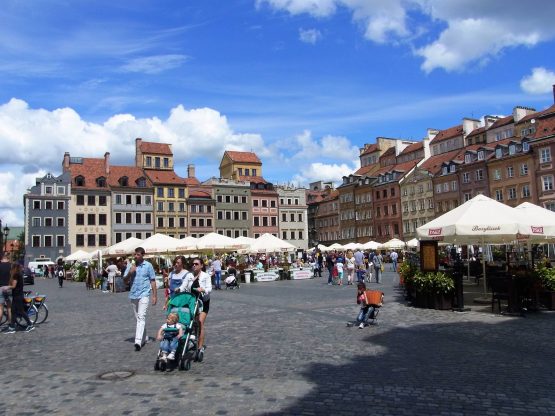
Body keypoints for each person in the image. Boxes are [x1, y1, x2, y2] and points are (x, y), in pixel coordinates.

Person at [124, 247, 157, 351]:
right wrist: (130, 272)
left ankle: (138, 341)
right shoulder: (131, 265)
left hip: (144, 294)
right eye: (135, 254)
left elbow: (152, 280)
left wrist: (154, 295)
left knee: (141, 317)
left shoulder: (148, 266)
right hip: (133, 294)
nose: (136, 256)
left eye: (138, 255)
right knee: (138, 318)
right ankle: (144, 337)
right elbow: (124, 280)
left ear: (143, 255)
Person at [178, 257, 211, 358]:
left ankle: (200, 348)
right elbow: (183, 286)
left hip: (203, 302)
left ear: (201, 265)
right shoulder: (189, 276)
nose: (194, 265)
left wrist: (203, 289)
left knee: (199, 323)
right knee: (190, 323)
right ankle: (191, 340)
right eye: (193, 264)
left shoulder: (205, 276)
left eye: (196, 264)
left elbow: (209, 288)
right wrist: (178, 289)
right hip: (191, 302)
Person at [2, 263, 35, 333]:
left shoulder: (16, 275)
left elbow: (13, 286)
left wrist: (7, 287)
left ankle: (30, 324)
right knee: (13, 311)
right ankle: (12, 327)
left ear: (14, 268)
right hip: (17, 295)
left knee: (21, 311)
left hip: (17, 296)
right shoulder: (19, 274)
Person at [0, 252, 12, 327]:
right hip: (9, 288)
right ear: (8, 258)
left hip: (0, 288)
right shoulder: (11, 266)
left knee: (0, 308)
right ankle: (10, 324)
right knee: (9, 308)